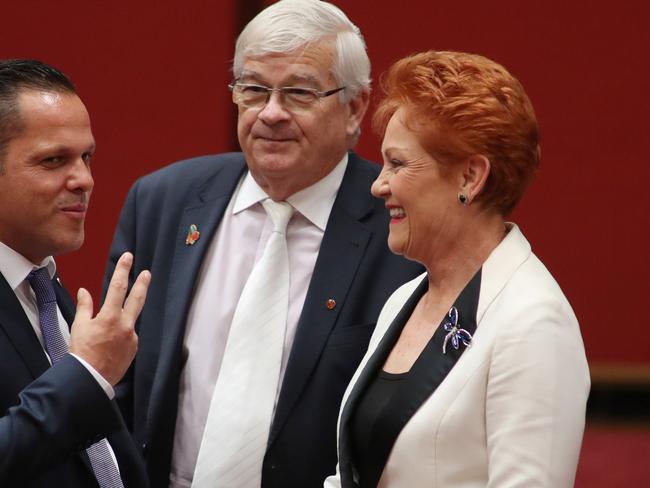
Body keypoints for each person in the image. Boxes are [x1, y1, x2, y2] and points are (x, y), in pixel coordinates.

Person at [103, 1, 423, 487]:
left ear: (354, 107)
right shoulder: (163, 202)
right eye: (253, 90)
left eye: (298, 92)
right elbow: (117, 383)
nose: (271, 113)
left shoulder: (401, 225)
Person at [324, 50, 590, 488]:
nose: (378, 184)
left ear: (470, 177)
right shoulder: (404, 300)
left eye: (399, 163)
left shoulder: (535, 323)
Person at [0, 59, 151, 487]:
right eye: (53, 160)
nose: (84, 179)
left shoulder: (43, 286)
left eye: (86, 157)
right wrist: (86, 373)